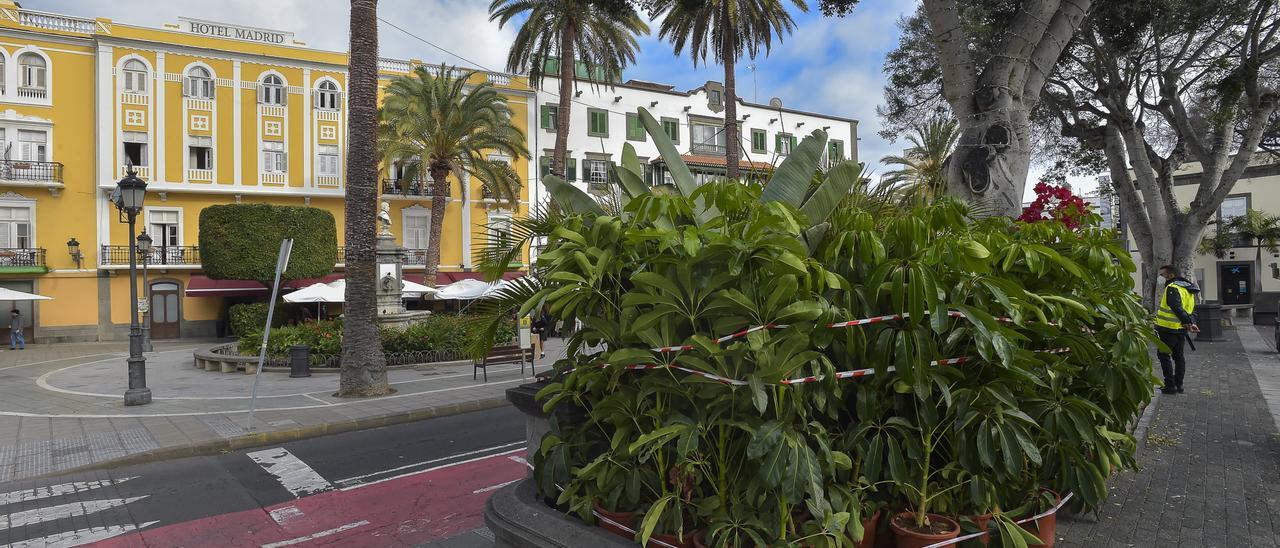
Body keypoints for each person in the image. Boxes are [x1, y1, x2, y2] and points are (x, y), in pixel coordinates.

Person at [1155, 265, 1200, 394]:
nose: (1160, 278)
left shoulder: (1172, 288)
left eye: (1162, 275)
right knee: (1179, 356)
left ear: (1170, 275)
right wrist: (1191, 322)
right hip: (1181, 330)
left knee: (1163, 355)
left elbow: (1176, 307)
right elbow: (1193, 309)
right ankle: (1178, 384)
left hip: (1168, 329)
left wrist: (1188, 322)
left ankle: (1170, 385)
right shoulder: (1187, 288)